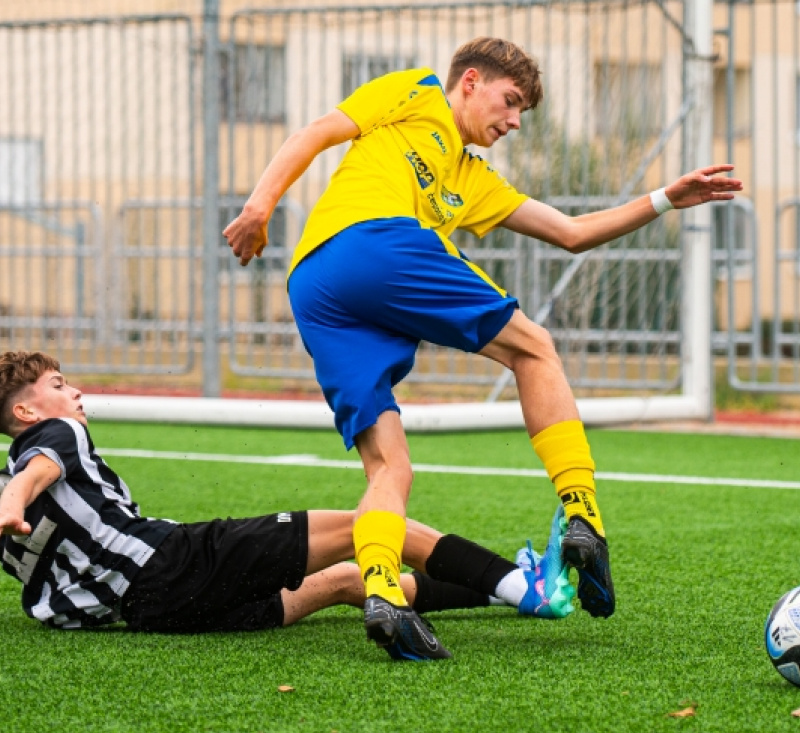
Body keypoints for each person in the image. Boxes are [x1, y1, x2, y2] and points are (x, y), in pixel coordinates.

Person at [223, 36, 743, 657]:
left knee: (390, 467)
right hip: (367, 245)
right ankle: (584, 516)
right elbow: (315, 132)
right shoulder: (414, 91)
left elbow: (571, 233)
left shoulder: (472, 179)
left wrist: (664, 200)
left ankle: (385, 593)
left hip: (316, 288)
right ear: (470, 81)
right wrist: (260, 206)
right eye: (511, 101)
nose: (515, 121)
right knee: (534, 349)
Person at [0, 350, 575, 661]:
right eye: (56, 384)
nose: (72, 392)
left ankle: (498, 587)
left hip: (152, 616)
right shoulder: (53, 438)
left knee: (349, 580)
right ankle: (529, 590)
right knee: (369, 524)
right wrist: (15, 499)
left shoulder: (13, 488)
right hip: (174, 563)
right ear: (26, 414)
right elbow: (37, 472)